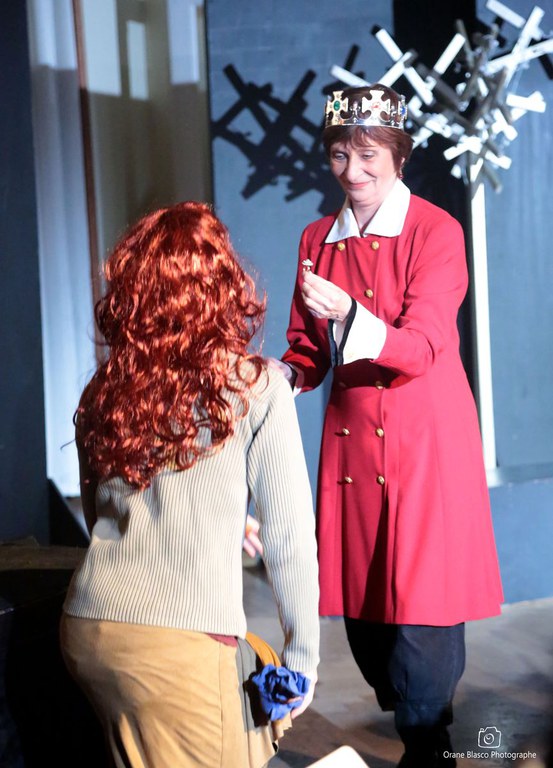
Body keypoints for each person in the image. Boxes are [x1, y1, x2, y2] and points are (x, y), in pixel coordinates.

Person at [270, 84, 504, 767]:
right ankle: (414, 721)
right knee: (368, 621)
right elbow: (306, 349)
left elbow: (424, 344)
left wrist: (348, 314)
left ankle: (428, 743)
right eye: (340, 155)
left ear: (398, 156)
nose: (353, 171)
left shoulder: (436, 231)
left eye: (368, 155)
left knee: (422, 610)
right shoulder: (316, 238)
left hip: (424, 442)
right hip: (351, 449)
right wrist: (275, 377)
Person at [60, 201, 320, 768]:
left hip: (90, 628)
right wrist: (303, 659)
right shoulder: (256, 386)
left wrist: (219, 517)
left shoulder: (105, 388)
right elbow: (290, 539)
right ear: (223, 285)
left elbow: (102, 511)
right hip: (177, 646)